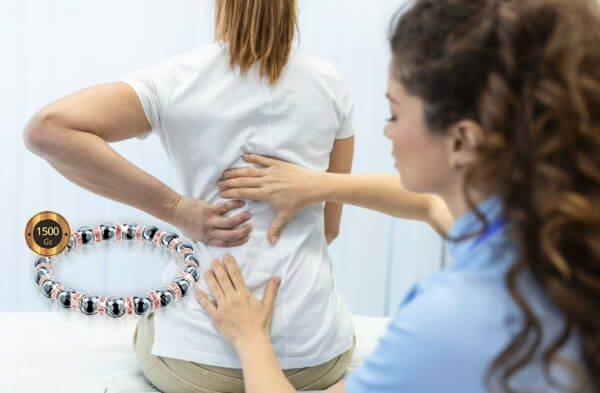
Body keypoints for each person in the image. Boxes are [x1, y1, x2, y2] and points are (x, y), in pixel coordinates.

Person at [22, 1, 451, 392]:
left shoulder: (176, 79)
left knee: (152, 319)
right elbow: (330, 228)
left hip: (195, 364)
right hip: (315, 358)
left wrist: (177, 209)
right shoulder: (330, 83)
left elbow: (48, 130)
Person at [195, 0, 600, 392]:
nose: (387, 131)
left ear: (461, 140)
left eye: (395, 113)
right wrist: (319, 185)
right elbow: (428, 205)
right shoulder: (551, 228)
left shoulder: (446, 320)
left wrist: (250, 340)